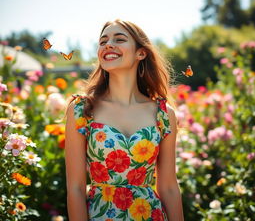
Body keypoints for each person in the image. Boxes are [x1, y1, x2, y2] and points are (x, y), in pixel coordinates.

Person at [65, 19, 184, 221]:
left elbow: (169, 187)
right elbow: (75, 188)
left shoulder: (163, 114)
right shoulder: (81, 110)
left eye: (119, 39)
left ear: (141, 53)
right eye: (103, 42)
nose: (108, 45)